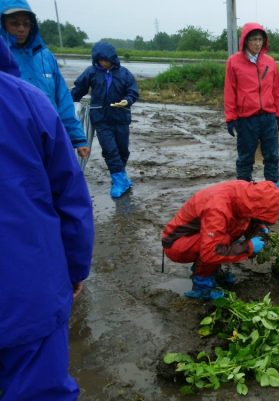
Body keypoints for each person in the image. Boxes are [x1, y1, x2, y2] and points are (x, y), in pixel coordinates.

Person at [0, 38, 94, 401]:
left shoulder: (40, 77)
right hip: (27, 289)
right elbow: (72, 198)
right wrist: (74, 269)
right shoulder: (23, 100)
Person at [162, 180, 279, 300]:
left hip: (200, 233)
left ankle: (213, 272)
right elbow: (211, 252)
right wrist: (248, 247)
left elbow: (245, 215)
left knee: (227, 234)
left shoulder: (246, 193)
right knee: (220, 242)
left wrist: (257, 226)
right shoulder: (218, 209)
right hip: (176, 243)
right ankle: (202, 287)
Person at [0, 0, 89, 159]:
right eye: (14, 23)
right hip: (11, 145)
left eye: (26, 24)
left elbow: (62, 99)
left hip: (49, 140)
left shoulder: (45, 57)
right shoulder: (3, 59)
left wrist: (77, 137)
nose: (21, 29)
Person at [71, 41, 139, 198]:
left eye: (106, 59)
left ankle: (121, 177)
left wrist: (127, 101)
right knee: (110, 150)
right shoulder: (91, 72)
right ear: (96, 59)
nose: (103, 63)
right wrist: (64, 103)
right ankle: (118, 180)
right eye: (100, 59)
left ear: (113, 59)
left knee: (122, 150)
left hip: (121, 118)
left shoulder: (124, 73)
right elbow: (78, 89)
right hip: (100, 119)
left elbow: (133, 91)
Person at [224, 22, 279, 184]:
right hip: (246, 119)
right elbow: (230, 92)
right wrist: (230, 118)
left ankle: (272, 191)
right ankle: (243, 192)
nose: (258, 43)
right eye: (254, 39)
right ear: (245, 41)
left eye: (260, 39)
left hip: (268, 118)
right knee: (245, 158)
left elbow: (277, 91)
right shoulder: (233, 62)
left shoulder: (270, 62)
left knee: (272, 156)